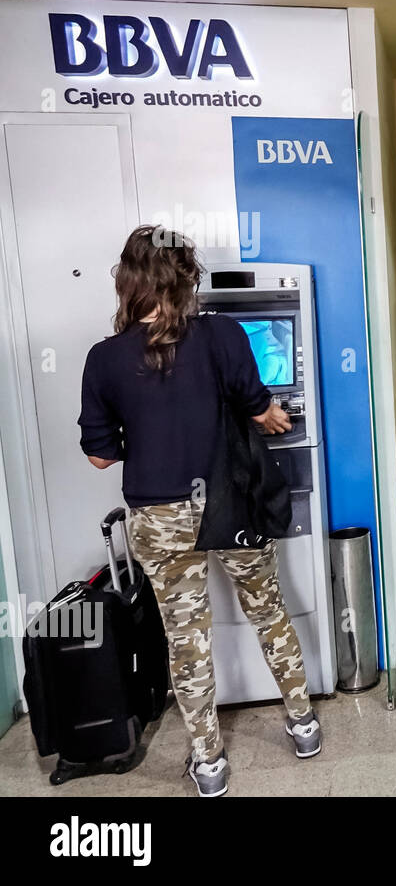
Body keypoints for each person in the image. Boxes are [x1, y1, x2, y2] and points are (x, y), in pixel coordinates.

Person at [78, 225, 321, 796]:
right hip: (229, 500)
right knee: (269, 611)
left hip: (160, 518)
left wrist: (140, 429)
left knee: (186, 638)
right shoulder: (224, 336)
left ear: (128, 282)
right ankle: (304, 725)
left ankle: (209, 764)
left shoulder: (104, 359)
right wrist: (267, 416)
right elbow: (261, 411)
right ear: (186, 277)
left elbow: (98, 455)